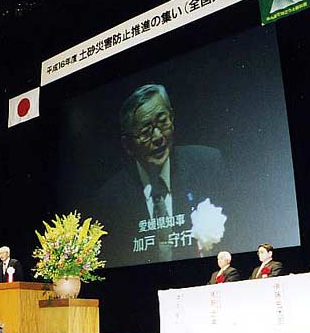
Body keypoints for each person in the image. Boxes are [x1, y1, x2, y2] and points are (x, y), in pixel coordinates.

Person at [95, 84, 226, 266]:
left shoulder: (207, 164)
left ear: (172, 118)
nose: (158, 137)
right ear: (127, 145)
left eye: (163, 121)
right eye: (145, 131)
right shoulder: (110, 199)